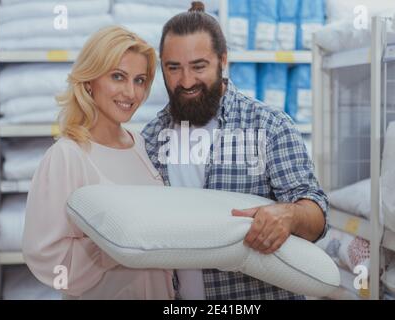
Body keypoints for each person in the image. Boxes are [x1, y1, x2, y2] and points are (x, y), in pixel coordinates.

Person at [141, 2, 329, 300]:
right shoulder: (150, 139)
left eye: (199, 66)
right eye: (173, 68)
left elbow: (317, 217)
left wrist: (290, 215)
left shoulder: (269, 126)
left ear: (223, 60)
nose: (186, 81)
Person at [22, 26, 175, 300]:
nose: (131, 92)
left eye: (140, 80)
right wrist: (114, 247)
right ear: (90, 80)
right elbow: (46, 258)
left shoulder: (142, 145)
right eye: (118, 77)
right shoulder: (67, 156)